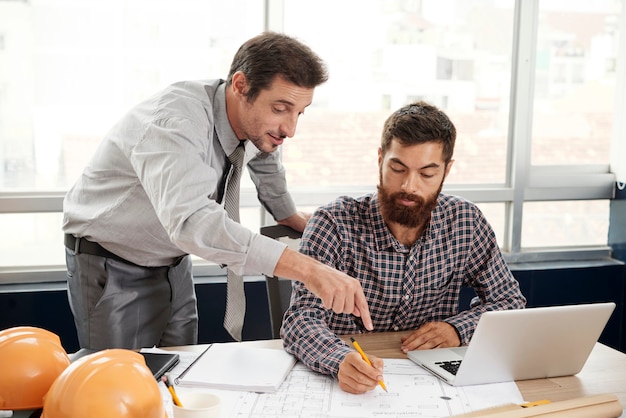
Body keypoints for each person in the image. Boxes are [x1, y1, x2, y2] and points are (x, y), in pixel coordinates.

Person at [62, 31, 372, 350]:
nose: (290, 129)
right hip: (112, 259)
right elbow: (194, 222)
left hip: (172, 259)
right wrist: (309, 270)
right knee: (120, 382)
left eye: (299, 112)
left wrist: (286, 213)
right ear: (240, 86)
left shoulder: (253, 123)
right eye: (281, 109)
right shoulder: (175, 123)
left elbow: (265, 153)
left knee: (177, 371)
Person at [281, 101, 527, 394]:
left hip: (432, 384)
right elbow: (300, 318)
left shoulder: (466, 221)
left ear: (446, 171)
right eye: (398, 168)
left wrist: (457, 329)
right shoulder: (334, 222)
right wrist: (338, 360)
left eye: (426, 174)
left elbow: (509, 302)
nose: (409, 186)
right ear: (380, 159)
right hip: (345, 381)